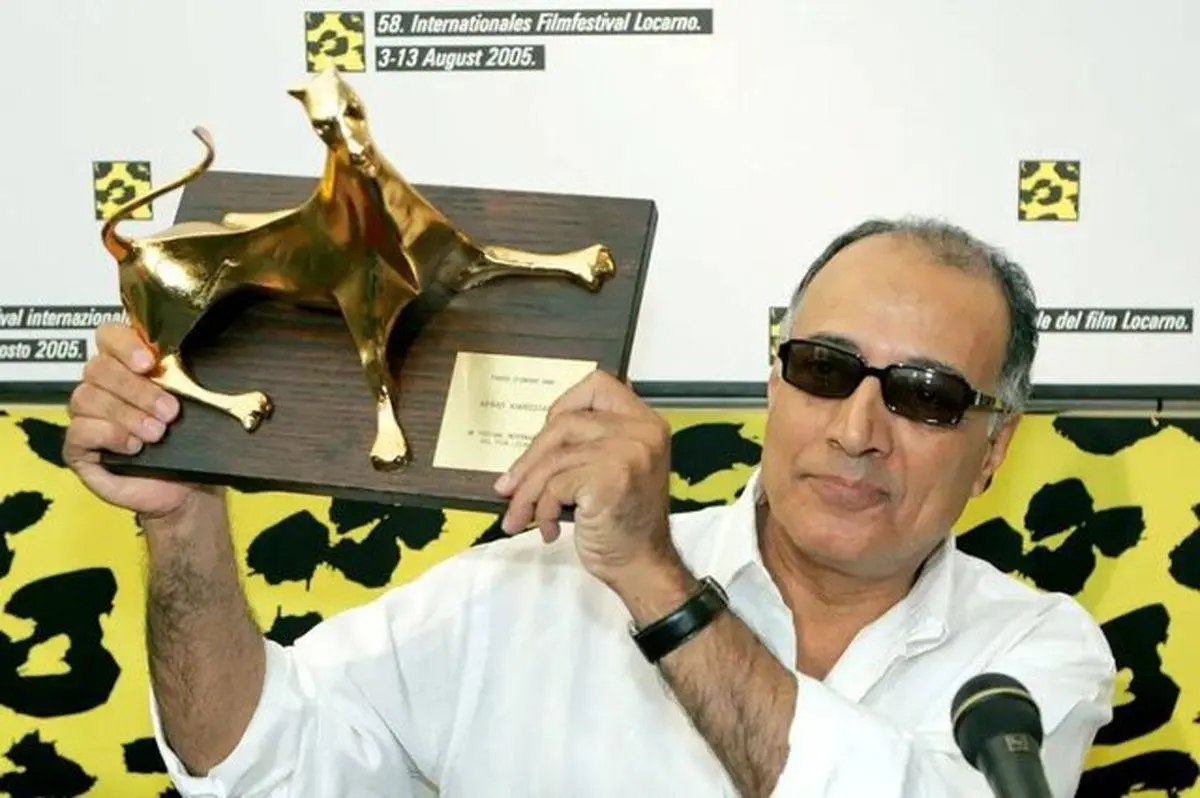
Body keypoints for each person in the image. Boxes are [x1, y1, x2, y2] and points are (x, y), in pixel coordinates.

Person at [64, 216, 1115, 797]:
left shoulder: (1027, 659)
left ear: (993, 450)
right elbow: (256, 762)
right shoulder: (530, 589)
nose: (857, 428)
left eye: (927, 395)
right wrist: (181, 523)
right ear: (776, 383)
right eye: (824, 368)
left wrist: (655, 582)